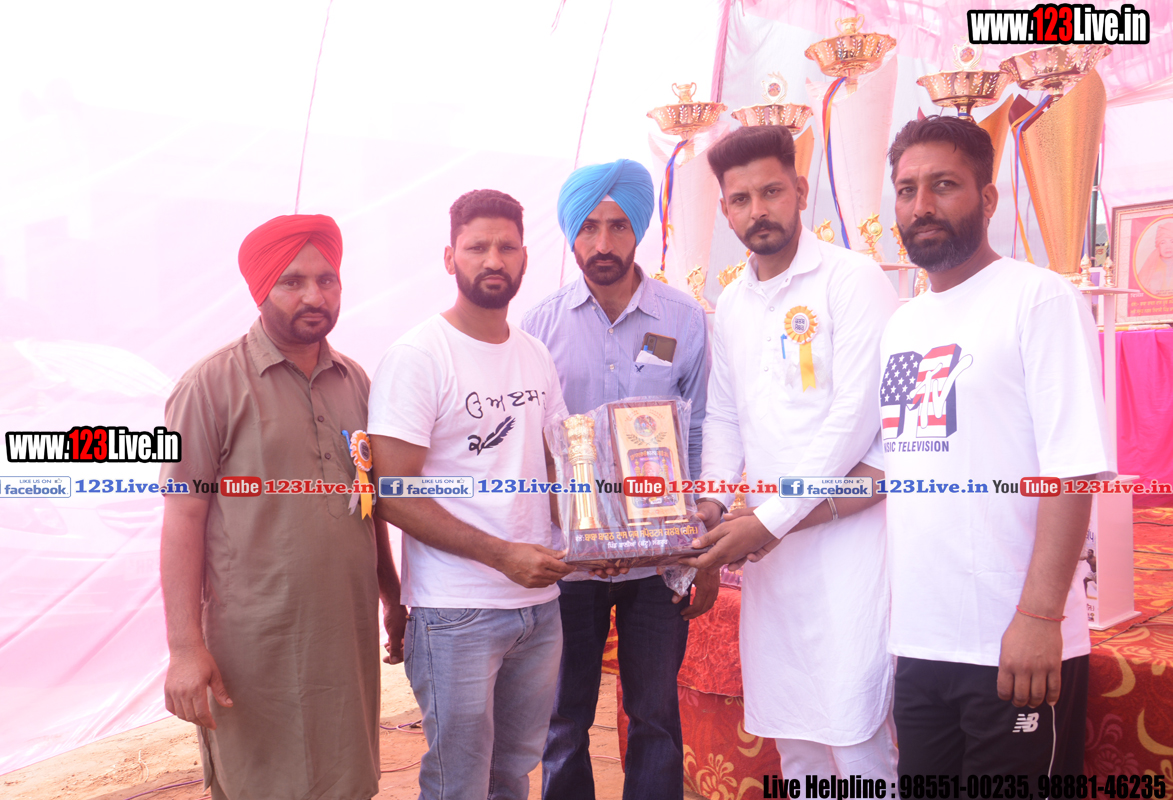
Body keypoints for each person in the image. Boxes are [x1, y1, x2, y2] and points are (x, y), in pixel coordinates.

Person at [881, 115, 1113, 776]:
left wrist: (1039, 616)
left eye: (943, 185)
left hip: (1015, 646)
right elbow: (899, 466)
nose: (920, 206)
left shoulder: (1038, 300)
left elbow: (1071, 472)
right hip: (921, 644)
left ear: (987, 199)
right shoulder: (902, 324)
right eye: (906, 190)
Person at [160, 214, 405, 800]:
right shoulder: (208, 386)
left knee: (347, 781)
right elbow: (182, 518)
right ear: (261, 288)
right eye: (292, 281)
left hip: (345, 635)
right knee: (260, 782)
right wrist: (185, 649)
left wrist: (392, 597)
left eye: (327, 280)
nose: (314, 296)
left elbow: (366, 502)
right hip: (254, 642)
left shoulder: (355, 381)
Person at [683, 124, 900, 781]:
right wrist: (711, 500)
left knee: (856, 734)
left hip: (847, 543)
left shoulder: (852, 279)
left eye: (771, 192)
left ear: (801, 191)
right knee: (797, 740)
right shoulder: (732, 301)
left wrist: (771, 519)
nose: (758, 210)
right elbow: (725, 414)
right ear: (725, 211)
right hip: (770, 557)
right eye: (740, 199)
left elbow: (854, 417)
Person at [368, 189, 574, 800]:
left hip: (539, 606)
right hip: (456, 610)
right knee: (458, 783)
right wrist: (502, 555)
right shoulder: (419, 356)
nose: (493, 259)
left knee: (512, 773)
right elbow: (393, 495)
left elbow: (557, 467)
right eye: (477, 246)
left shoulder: (534, 354)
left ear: (525, 257)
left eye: (506, 247)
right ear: (449, 257)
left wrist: (598, 538)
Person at [521, 159, 716, 800]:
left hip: (659, 561)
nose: (603, 243)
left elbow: (699, 432)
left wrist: (699, 546)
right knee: (563, 718)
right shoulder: (538, 327)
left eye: (618, 226)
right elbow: (530, 446)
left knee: (655, 715)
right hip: (570, 563)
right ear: (570, 234)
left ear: (639, 231)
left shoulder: (683, 320)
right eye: (589, 227)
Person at [1137, 220, 1173, 295]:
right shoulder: (1150, 268)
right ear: (1158, 245)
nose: (1168, 246)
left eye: (1172, 241)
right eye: (1163, 242)